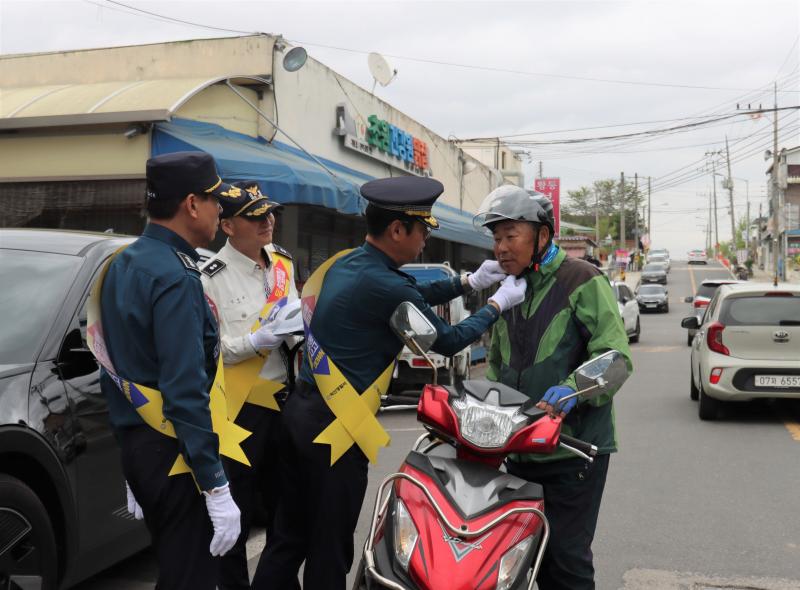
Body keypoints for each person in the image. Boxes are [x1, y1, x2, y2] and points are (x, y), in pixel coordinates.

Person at [251, 176, 527, 590]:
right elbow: (447, 340)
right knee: (329, 544)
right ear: (398, 230)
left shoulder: (349, 262)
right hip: (334, 429)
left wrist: (466, 282)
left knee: (288, 537)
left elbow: (409, 291)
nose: (424, 243)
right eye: (422, 231)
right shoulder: (385, 283)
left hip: (301, 416)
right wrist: (495, 304)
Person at [93, 151, 243, 589]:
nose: (221, 210)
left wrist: (130, 454)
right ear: (192, 205)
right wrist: (214, 484)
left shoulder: (124, 263)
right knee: (191, 577)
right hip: (176, 453)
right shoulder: (176, 276)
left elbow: (111, 365)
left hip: (143, 447)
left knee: (177, 570)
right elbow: (184, 389)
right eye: (216, 200)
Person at [473, 185, 633, 590]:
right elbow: (496, 365)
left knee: (565, 560)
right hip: (520, 447)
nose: (501, 248)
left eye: (511, 236)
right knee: (522, 556)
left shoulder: (581, 279)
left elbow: (615, 357)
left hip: (573, 449)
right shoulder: (509, 288)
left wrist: (569, 390)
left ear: (542, 236)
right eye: (496, 238)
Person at [200, 180, 301, 590]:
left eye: (269, 213)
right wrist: (254, 342)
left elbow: (294, 322)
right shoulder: (210, 277)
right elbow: (210, 349)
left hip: (285, 402)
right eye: (255, 216)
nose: (268, 221)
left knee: (289, 511)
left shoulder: (282, 264)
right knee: (236, 517)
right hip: (239, 410)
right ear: (227, 226)